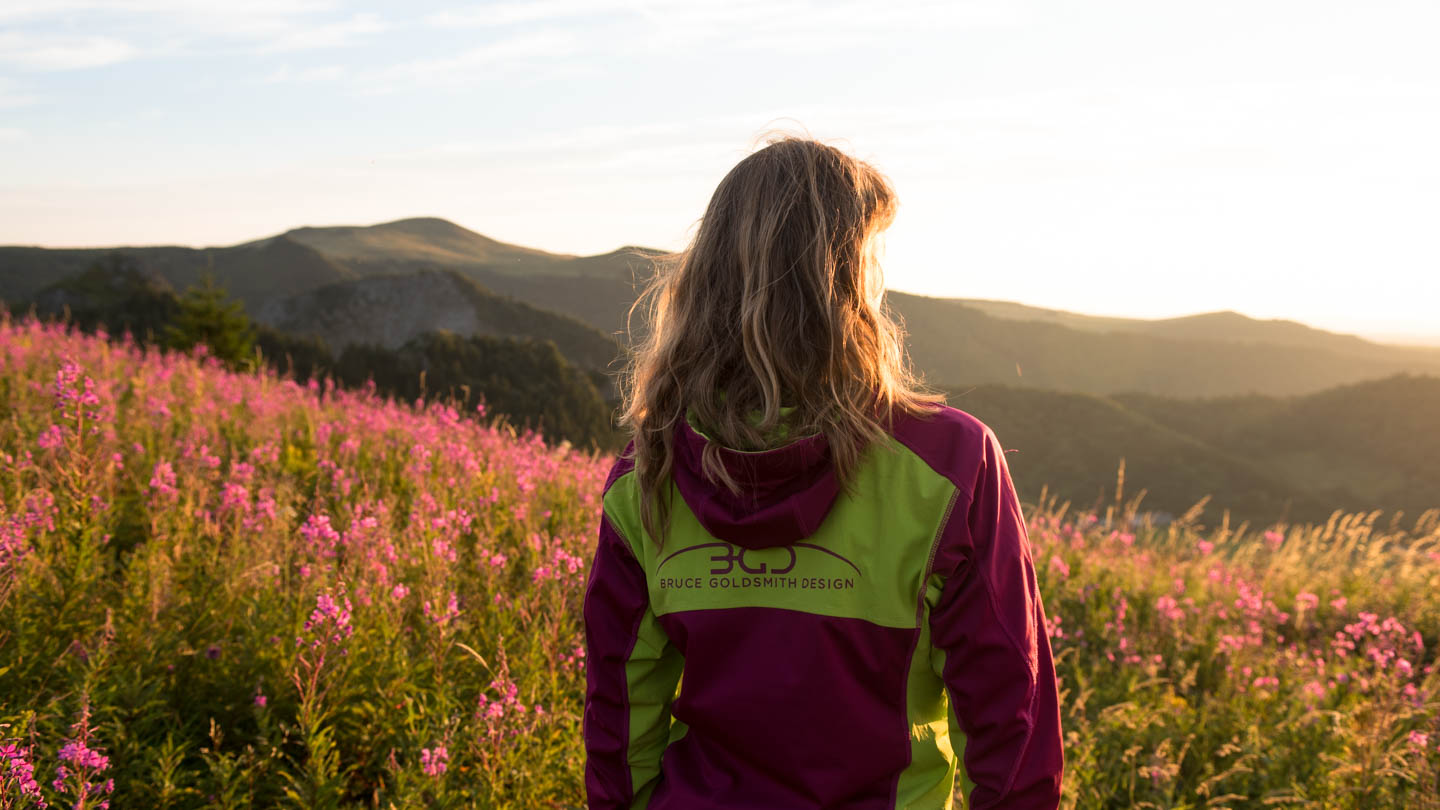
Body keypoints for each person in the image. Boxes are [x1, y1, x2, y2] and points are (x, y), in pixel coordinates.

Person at [582, 133, 1063, 809]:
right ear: (847, 282)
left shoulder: (650, 469)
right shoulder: (949, 464)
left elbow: (620, 711)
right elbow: (1010, 715)